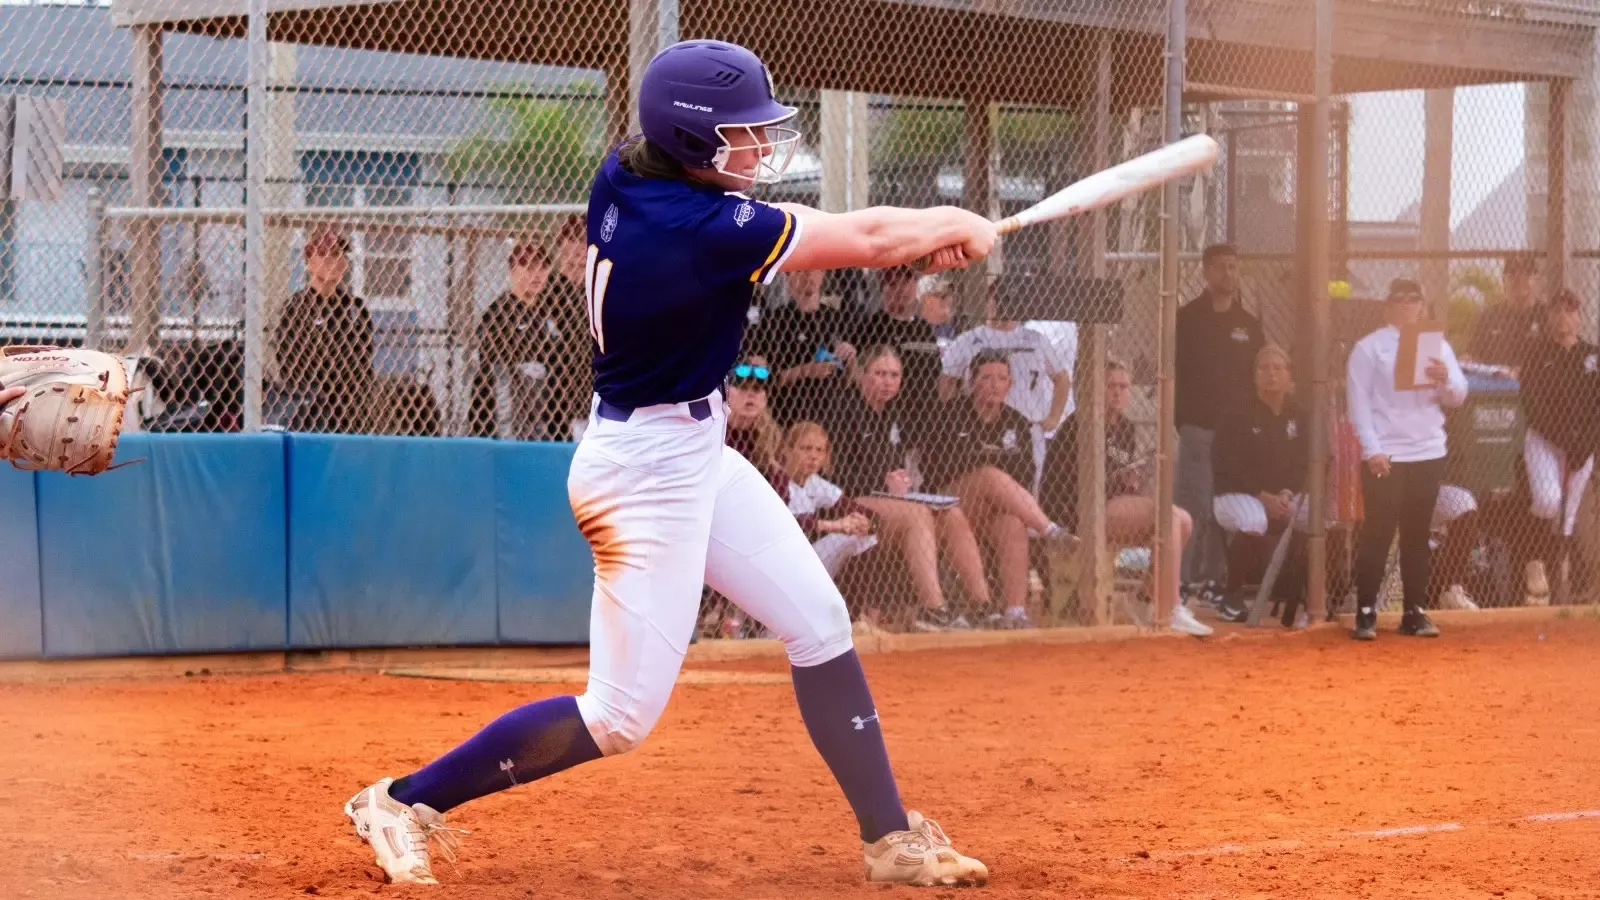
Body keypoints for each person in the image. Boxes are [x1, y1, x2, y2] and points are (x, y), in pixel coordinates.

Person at [343, 39, 993, 887]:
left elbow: (853, 239)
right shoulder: (697, 227)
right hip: (644, 477)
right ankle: (401, 800)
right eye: (740, 135)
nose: (757, 149)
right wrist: (954, 223)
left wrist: (922, 240)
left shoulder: (626, 171)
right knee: (617, 716)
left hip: (691, 450)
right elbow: (865, 238)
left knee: (819, 621)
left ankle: (889, 837)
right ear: (691, 142)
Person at [826, 345, 994, 632]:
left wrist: (900, 480)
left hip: (887, 499)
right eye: (880, 374)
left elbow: (895, 464)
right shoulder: (843, 410)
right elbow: (836, 474)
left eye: (894, 375)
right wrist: (883, 482)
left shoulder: (893, 412)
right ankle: (933, 609)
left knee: (951, 514)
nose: (888, 382)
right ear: (862, 374)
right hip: (853, 501)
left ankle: (982, 606)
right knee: (917, 515)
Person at [1043, 359, 1210, 636]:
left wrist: (1128, 481)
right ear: (1096, 390)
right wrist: (1117, 482)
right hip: (1077, 511)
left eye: (1124, 386)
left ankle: (1143, 598)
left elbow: (1115, 482)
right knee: (1168, 517)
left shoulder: (1125, 427)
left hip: (1110, 504)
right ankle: (1172, 607)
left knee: (1184, 522)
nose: (1117, 392)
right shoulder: (1081, 424)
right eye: (1111, 386)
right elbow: (1074, 485)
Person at [1345, 278, 1468, 641]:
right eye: (1400, 299)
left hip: (1428, 450)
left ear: (1422, 305)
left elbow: (1458, 396)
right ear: (1387, 306)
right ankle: (1366, 612)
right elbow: (1358, 404)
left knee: (1417, 534)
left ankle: (1413, 611)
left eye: (1414, 299)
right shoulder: (1369, 348)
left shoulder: (1437, 345)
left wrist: (1444, 379)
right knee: (1378, 532)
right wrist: (1372, 450)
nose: (1408, 305)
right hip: (1387, 453)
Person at [924, 350, 1079, 628]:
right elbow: (937, 468)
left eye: (1002, 378)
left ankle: (1015, 612)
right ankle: (1050, 531)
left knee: (1012, 524)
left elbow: (1024, 476)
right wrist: (983, 470)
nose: (994, 385)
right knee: (988, 476)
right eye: (986, 378)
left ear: (1010, 385)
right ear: (972, 382)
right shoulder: (949, 415)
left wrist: (985, 469)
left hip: (994, 510)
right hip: (950, 505)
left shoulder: (1016, 422)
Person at [1173, 242, 1264, 602]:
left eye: (1233, 267)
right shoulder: (1187, 319)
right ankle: (1180, 581)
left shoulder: (1249, 325)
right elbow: (1174, 371)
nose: (1229, 274)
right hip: (1197, 430)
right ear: (1206, 272)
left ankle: (1212, 579)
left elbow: (1257, 378)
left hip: (1235, 438)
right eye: (1221, 267)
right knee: (1192, 505)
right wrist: (1182, 420)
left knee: (1222, 507)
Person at [939, 279, 1072, 497]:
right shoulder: (969, 340)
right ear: (988, 302)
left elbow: (1062, 379)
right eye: (998, 298)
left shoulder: (1035, 341)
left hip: (1026, 431)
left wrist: (1053, 418)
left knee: (1026, 495)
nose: (1005, 304)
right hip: (978, 429)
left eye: (1011, 299)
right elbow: (947, 382)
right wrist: (952, 416)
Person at [1210, 344, 1310, 624]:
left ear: (1289, 375)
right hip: (1236, 494)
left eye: (1278, 368)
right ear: (1254, 376)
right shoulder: (1237, 413)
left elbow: (1306, 462)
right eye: (1264, 368)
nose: (1271, 374)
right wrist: (1264, 496)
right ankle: (1231, 596)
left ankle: (1317, 599)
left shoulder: (1299, 415)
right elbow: (1227, 466)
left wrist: (1287, 493)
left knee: (1321, 518)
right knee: (1254, 520)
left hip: (1285, 496)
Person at [1517, 289, 1599, 603]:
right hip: (1545, 441)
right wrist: (1566, 441)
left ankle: (1555, 586)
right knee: (1548, 500)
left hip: (1584, 445)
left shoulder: (1593, 355)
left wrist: (1585, 445)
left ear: (1579, 316)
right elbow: (1533, 406)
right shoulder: (1536, 354)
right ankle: (1534, 562)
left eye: (1570, 310)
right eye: (1557, 310)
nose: (1563, 316)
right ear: (1548, 316)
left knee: (1568, 517)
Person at [470, 238, 590, 440]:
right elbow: (499, 376)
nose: (537, 275)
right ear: (512, 270)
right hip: (511, 418)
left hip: (549, 416)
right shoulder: (499, 313)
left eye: (543, 268)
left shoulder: (547, 313)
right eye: (528, 267)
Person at [275, 228, 375, 433]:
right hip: (310, 412)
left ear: (345, 263)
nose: (331, 260)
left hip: (350, 413)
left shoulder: (354, 308)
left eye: (337, 254)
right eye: (322, 253)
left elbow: (364, 362)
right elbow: (289, 362)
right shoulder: (297, 307)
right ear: (308, 262)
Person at [752, 268, 855, 426]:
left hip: (831, 412)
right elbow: (770, 377)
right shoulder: (776, 321)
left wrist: (851, 358)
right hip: (790, 412)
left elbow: (850, 380)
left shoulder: (835, 318)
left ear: (822, 275)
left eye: (815, 270)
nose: (808, 275)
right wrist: (806, 371)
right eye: (800, 270)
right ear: (789, 278)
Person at [780, 420, 879, 583]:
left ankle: (856, 596)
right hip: (777, 561)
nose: (813, 456)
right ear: (788, 450)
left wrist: (867, 524)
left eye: (819, 450)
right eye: (806, 448)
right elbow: (783, 525)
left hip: (805, 560)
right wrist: (835, 525)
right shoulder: (777, 480)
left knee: (864, 536)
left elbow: (856, 509)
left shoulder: (815, 482)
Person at [1468, 252, 1544, 371]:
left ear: (1536, 279)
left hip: (1537, 381)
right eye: (1512, 274)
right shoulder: (1489, 316)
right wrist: (1466, 360)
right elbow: (1473, 355)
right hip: (1497, 381)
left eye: (1526, 274)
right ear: (1504, 279)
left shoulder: (1546, 315)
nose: (1519, 279)